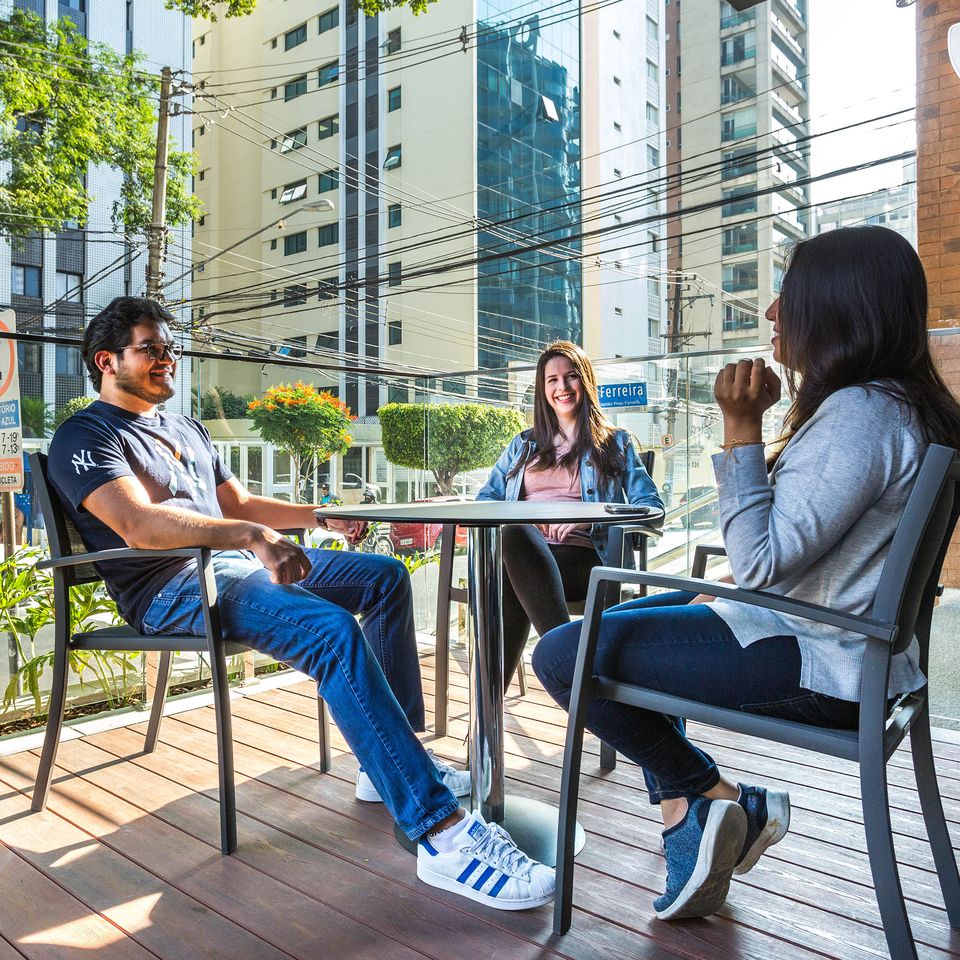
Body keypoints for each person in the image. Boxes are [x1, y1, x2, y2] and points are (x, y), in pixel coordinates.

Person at [46, 296, 555, 911]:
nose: (167, 357)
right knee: (332, 631)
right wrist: (252, 539)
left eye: (168, 346)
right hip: (173, 588)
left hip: (233, 565)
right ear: (108, 360)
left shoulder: (183, 428)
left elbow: (242, 505)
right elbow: (138, 525)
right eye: (150, 348)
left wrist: (321, 517)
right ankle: (442, 836)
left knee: (385, 577)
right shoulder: (86, 433)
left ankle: (389, 763)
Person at [532, 225, 960, 921]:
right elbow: (793, 558)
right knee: (617, 634)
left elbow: (758, 561)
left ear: (834, 307)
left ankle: (718, 800)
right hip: (831, 638)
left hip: (822, 657)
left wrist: (738, 426)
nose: (770, 315)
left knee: (561, 654)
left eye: (785, 296)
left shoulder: (860, 415)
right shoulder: (896, 408)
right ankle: (693, 819)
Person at [476, 340, 663, 687]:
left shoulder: (615, 442)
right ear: (542, 389)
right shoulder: (523, 444)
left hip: (588, 558)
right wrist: (530, 523)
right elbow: (485, 500)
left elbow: (652, 509)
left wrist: (587, 516)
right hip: (527, 555)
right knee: (516, 538)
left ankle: (495, 712)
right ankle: (573, 675)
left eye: (570, 377)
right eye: (552, 380)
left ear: (585, 383)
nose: (562, 387)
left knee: (508, 563)